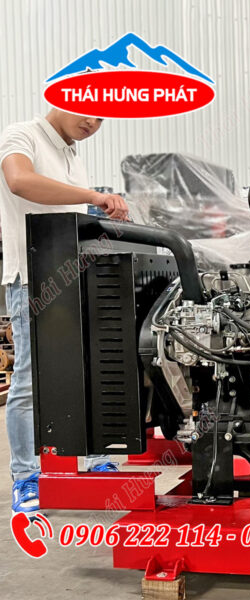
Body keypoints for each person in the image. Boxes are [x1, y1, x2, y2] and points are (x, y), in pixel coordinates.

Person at [0, 109, 129, 514]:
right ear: (60, 100)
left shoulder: (71, 154)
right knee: (30, 380)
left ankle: (97, 460)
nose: (92, 124)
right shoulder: (22, 135)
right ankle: (26, 476)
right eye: (87, 112)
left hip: (74, 276)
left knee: (88, 369)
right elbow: (19, 181)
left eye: (101, 120)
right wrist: (93, 196)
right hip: (32, 279)